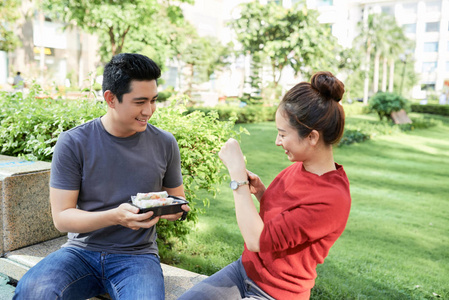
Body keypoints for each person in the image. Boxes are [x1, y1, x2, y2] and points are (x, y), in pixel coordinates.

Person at [13, 53, 189, 300]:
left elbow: (178, 202)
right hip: (80, 252)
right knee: (33, 292)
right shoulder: (74, 142)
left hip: (137, 256)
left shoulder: (165, 143)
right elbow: (62, 218)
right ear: (110, 98)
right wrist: (115, 217)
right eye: (140, 102)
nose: (149, 111)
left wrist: (175, 211)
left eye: (153, 100)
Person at [179, 71, 351, 300]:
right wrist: (261, 193)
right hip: (244, 271)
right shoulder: (302, 167)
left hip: (277, 293)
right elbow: (287, 220)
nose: (277, 142)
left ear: (312, 137)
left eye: (282, 134)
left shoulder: (332, 199)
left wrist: (237, 176)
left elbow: (257, 240)